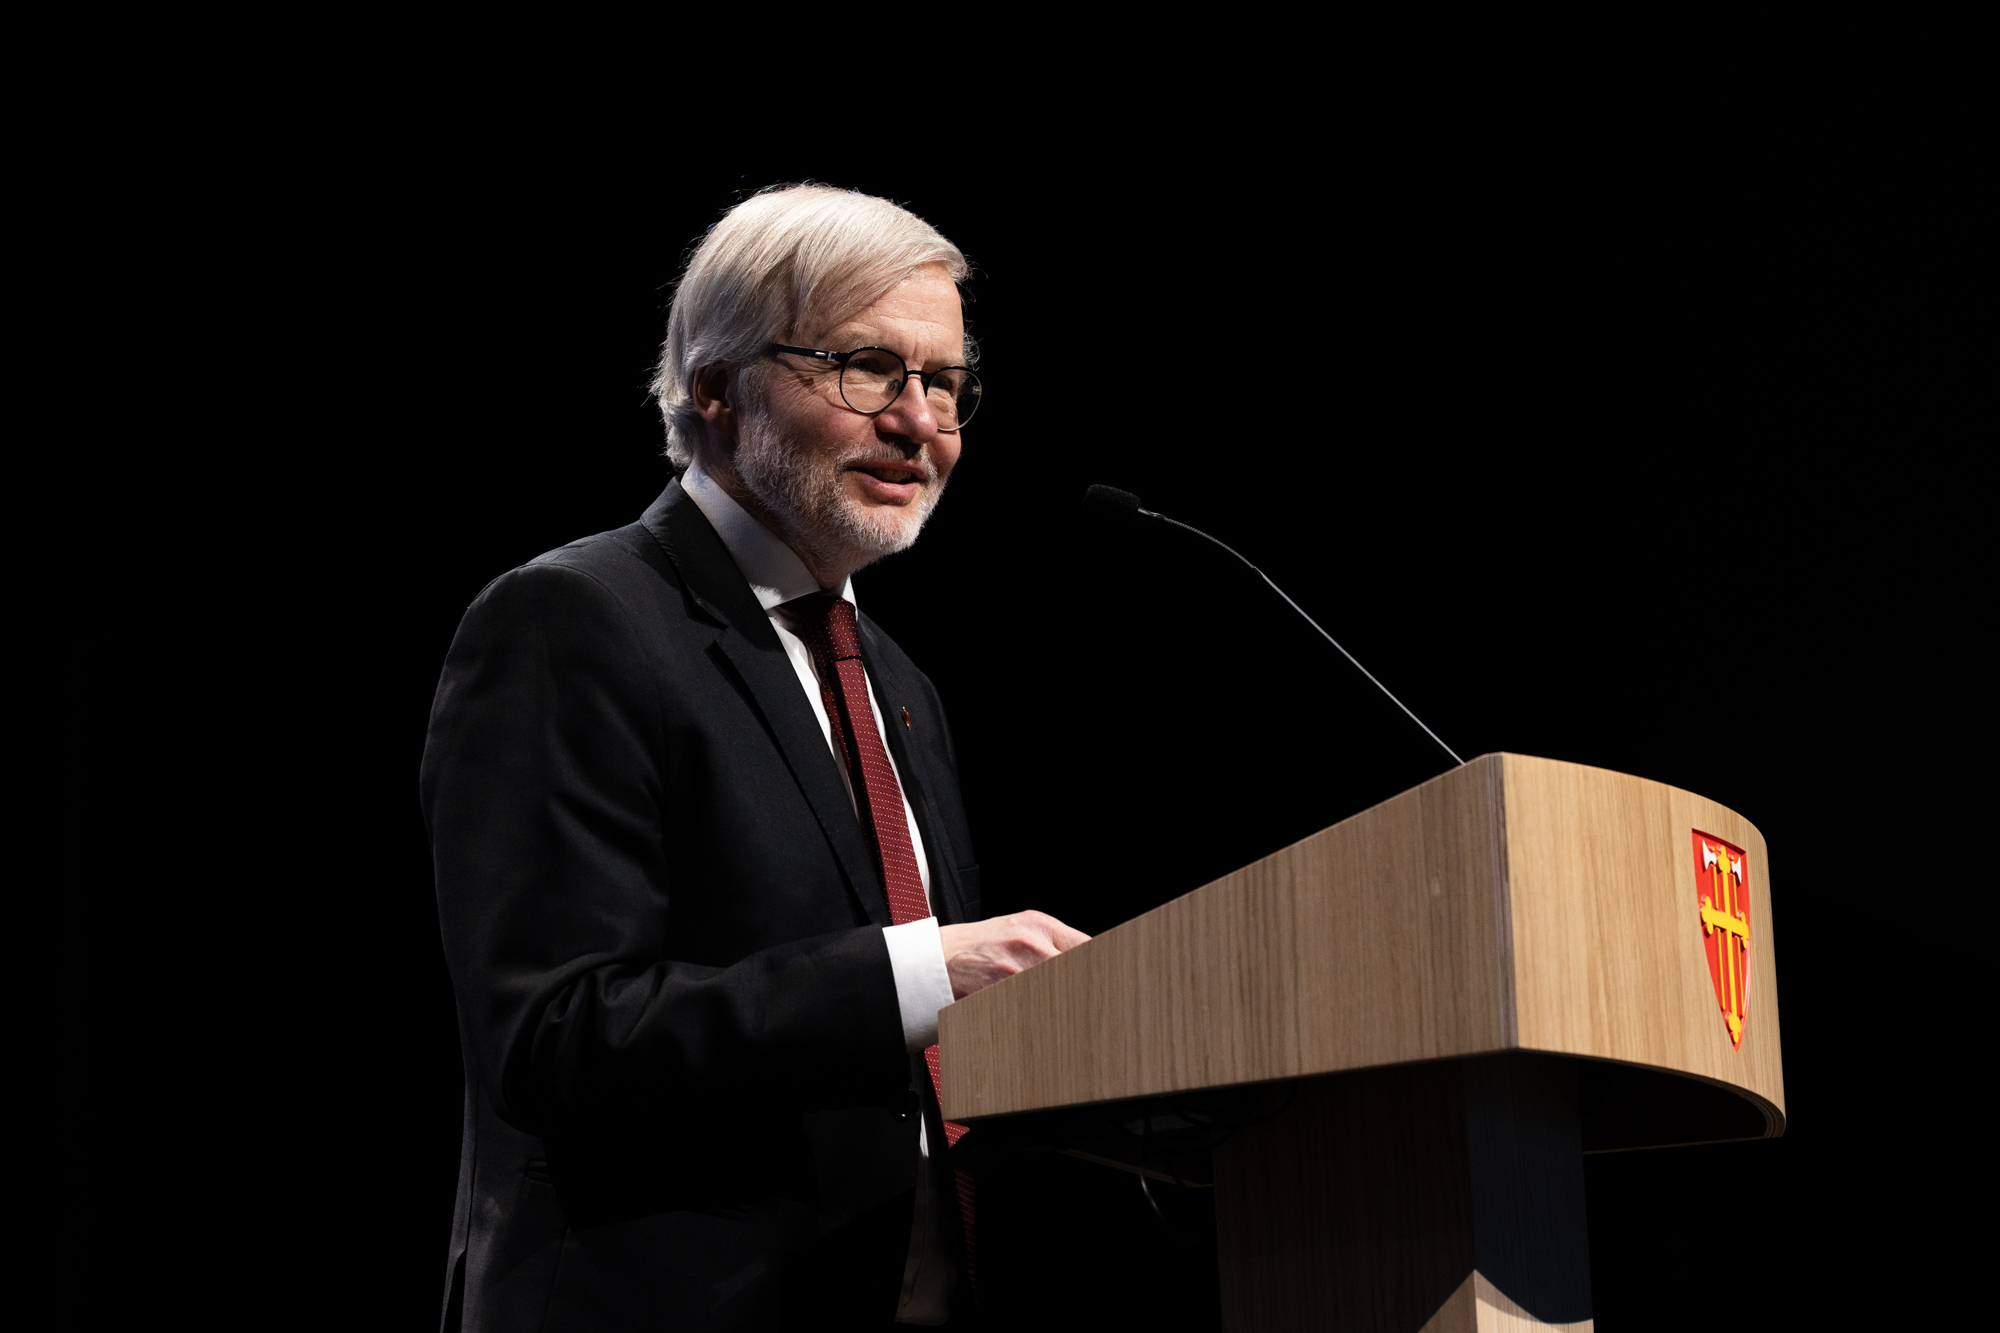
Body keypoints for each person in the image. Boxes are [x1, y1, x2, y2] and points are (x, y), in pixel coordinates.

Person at [422, 183, 1089, 1332]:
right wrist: (921, 975)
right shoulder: (570, 621)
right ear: (717, 387)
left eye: (942, 383)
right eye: (868, 367)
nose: (919, 422)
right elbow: (556, 1035)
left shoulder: (897, 681)